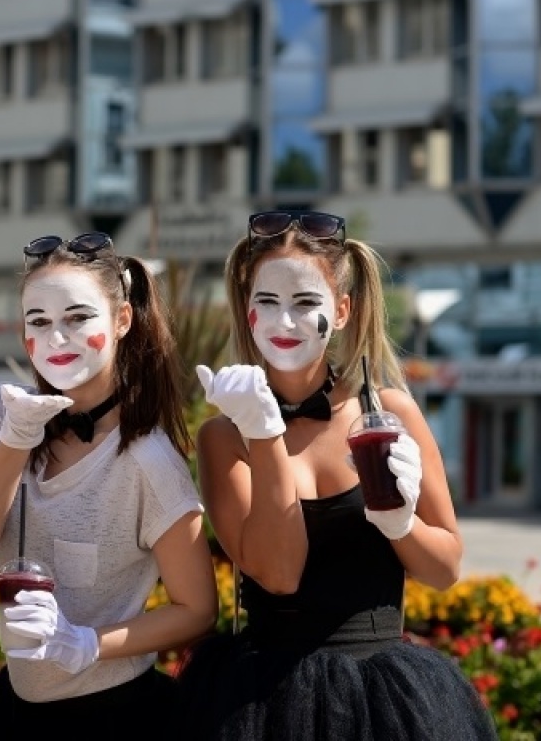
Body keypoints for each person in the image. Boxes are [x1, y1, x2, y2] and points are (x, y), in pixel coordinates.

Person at [175, 211, 497, 739]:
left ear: (341, 310)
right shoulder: (224, 436)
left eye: (305, 303)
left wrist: (401, 524)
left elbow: (444, 570)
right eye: (267, 302)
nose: (284, 322)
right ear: (247, 310)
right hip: (262, 700)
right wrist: (264, 432)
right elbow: (279, 574)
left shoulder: (389, 413)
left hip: (382, 701)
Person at [0, 232, 217, 741]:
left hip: (116, 716)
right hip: (16, 715)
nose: (56, 338)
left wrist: (87, 643)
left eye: (77, 318)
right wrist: (16, 440)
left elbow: (198, 610)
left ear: (121, 320)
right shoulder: (3, 410)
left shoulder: (148, 460)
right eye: (38, 322)